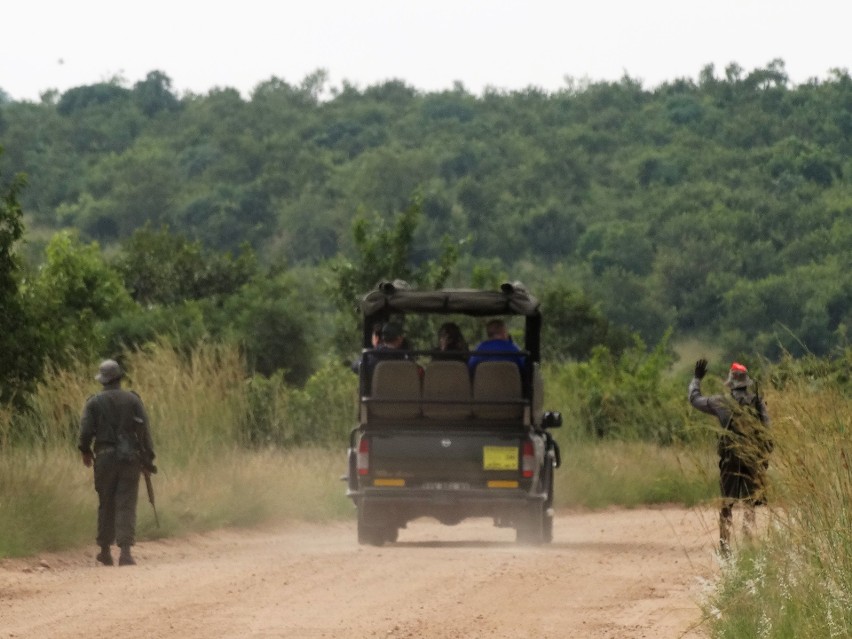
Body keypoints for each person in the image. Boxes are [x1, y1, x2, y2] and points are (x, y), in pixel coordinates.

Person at [689, 359, 772, 556]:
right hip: (753, 459)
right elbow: (768, 434)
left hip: (729, 460)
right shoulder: (758, 402)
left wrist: (696, 379)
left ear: (731, 383)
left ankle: (725, 550)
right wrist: (763, 458)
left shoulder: (720, 402)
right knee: (750, 503)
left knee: (727, 504)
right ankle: (748, 545)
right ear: (746, 383)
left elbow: (694, 399)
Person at [78, 359, 156, 567]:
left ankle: (104, 551)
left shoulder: (93, 402)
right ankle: (126, 553)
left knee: (106, 503)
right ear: (120, 378)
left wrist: (85, 451)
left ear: (102, 380)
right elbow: (145, 432)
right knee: (126, 503)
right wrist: (148, 460)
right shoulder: (133, 400)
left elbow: (85, 431)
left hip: (104, 458)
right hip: (130, 458)